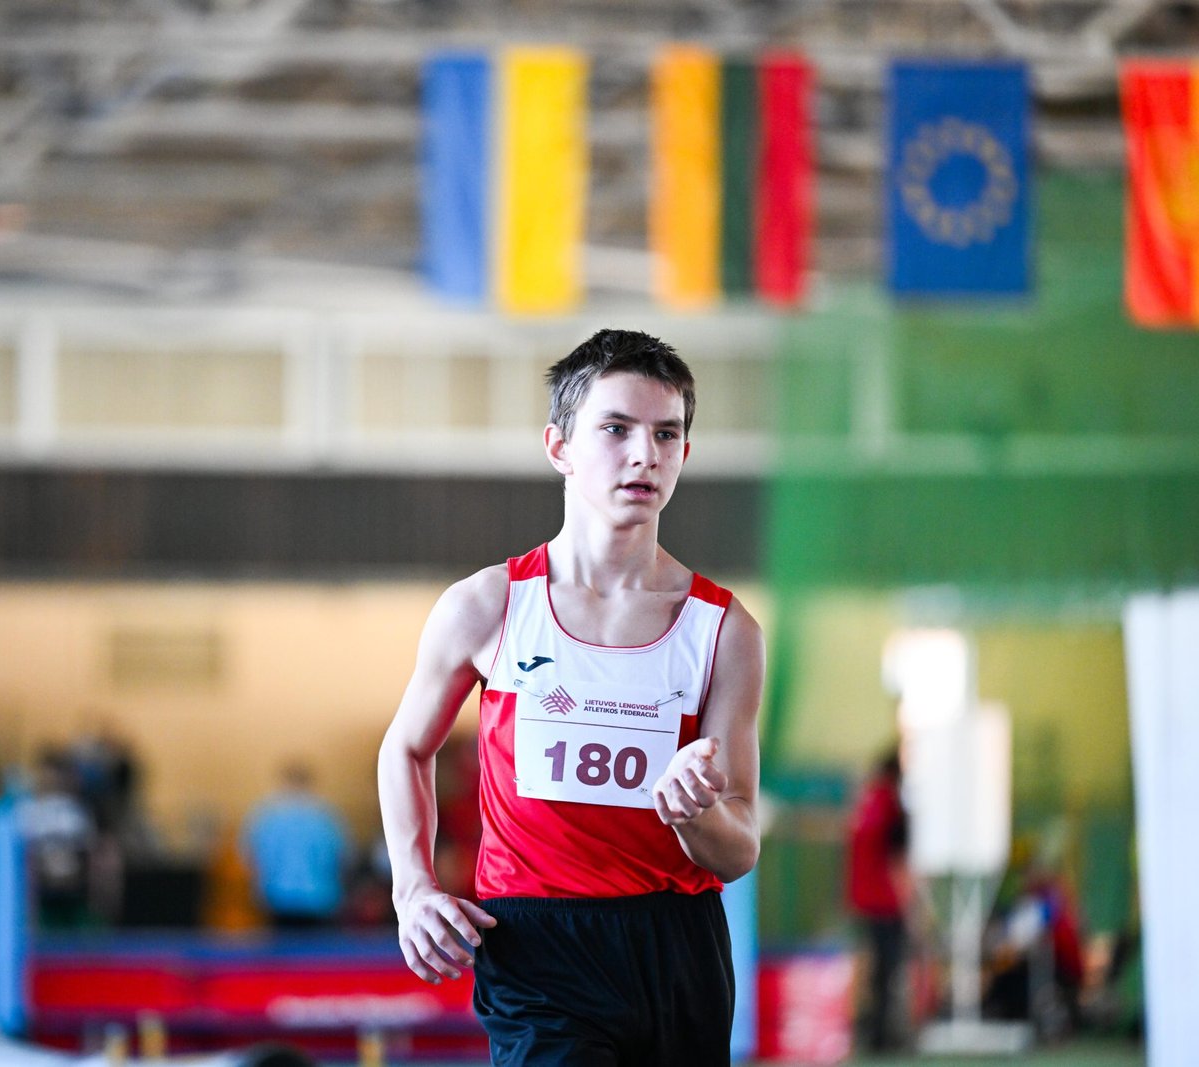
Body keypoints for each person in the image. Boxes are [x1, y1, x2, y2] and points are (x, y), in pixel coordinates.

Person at [377, 329, 764, 1066]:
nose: (644, 454)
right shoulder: (488, 606)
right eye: (616, 428)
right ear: (559, 446)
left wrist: (696, 812)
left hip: (675, 946)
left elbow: (738, 848)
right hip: (536, 944)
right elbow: (406, 747)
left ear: (684, 452)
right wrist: (413, 888)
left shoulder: (723, 630)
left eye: (666, 434)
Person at [844, 747, 912, 1053]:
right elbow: (898, 857)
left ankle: (873, 1032)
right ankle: (884, 1035)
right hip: (886, 899)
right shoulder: (891, 804)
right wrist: (909, 900)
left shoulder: (867, 801)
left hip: (865, 897)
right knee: (889, 969)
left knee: (874, 969)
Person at [240, 761, 351, 929]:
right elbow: (344, 857)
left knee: (281, 943)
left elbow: (249, 856)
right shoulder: (327, 816)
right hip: (319, 896)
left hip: (277, 896)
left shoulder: (266, 815)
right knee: (316, 944)